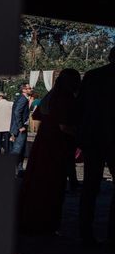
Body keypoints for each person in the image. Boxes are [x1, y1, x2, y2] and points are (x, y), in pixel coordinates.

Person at [18, 69, 81, 235]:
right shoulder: (65, 98)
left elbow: (38, 115)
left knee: (37, 180)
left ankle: (30, 219)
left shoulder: (50, 96)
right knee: (51, 184)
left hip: (43, 142)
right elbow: (64, 126)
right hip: (56, 145)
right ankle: (44, 223)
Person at [78, 47, 115, 247]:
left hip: (93, 137)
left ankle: (85, 231)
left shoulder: (92, 76)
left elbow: (80, 107)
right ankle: (112, 235)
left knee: (90, 186)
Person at [10, 83, 33, 175]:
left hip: (21, 127)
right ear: (24, 90)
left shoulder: (22, 98)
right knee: (17, 149)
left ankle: (19, 170)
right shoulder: (22, 99)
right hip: (20, 128)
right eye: (29, 88)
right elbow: (17, 113)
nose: (31, 89)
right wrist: (20, 126)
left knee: (21, 149)